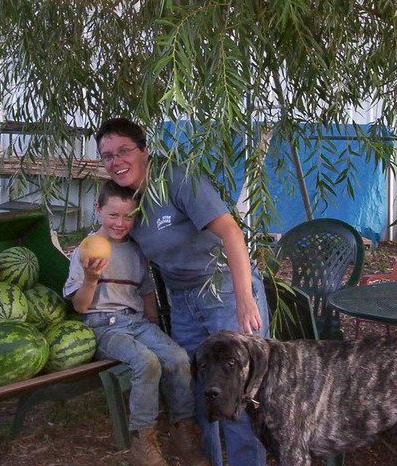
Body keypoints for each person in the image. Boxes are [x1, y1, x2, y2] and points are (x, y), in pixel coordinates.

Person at [94, 118, 269, 466]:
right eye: (108, 156)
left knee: (239, 387)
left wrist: (245, 298)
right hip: (183, 301)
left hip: (223, 290)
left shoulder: (177, 179)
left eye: (124, 151)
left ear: (145, 150)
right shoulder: (127, 201)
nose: (117, 161)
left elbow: (231, 233)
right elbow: (108, 243)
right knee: (200, 389)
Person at [65, 180, 210, 466]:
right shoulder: (86, 250)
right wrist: (91, 279)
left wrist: (152, 321)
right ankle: (142, 439)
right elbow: (80, 306)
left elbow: (145, 291)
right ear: (98, 210)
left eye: (128, 216)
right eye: (113, 215)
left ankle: (183, 430)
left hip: (137, 322)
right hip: (103, 326)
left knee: (179, 358)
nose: (120, 223)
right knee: (147, 362)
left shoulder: (135, 250)